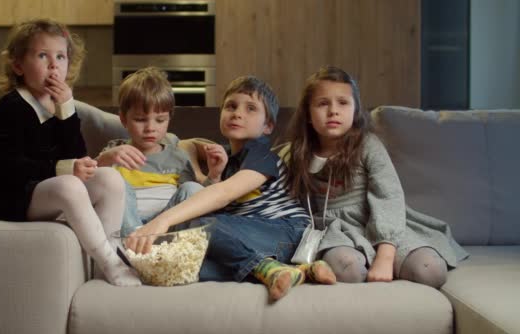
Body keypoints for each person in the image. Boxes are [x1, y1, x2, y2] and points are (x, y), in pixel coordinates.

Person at [126, 76, 336, 302]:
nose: (237, 113)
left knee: (202, 226)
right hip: (250, 240)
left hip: (287, 233)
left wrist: (162, 221)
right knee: (179, 266)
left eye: (251, 109)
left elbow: (223, 195)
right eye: (231, 106)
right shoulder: (226, 158)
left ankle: (269, 266)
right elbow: (185, 144)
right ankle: (297, 272)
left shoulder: (262, 155)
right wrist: (205, 174)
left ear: (268, 126)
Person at [0, 18, 140, 286]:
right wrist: (65, 169)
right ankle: (110, 263)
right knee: (69, 186)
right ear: (18, 65)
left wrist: (66, 110)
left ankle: (107, 255)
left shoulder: (61, 105)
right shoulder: (12, 106)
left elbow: (76, 154)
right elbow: (13, 165)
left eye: (61, 57)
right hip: (14, 198)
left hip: (46, 194)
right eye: (43, 55)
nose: (54, 65)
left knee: (110, 179)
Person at [281, 66, 469, 288]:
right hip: (334, 231)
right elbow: (261, 179)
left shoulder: (368, 145)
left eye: (343, 102)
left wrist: (385, 257)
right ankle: (361, 263)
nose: (333, 111)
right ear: (308, 115)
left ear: (355, 110)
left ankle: (392, 262)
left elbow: (388, 196)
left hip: (379, 222)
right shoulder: (294, 153)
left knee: (430, 270)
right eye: (323, 103)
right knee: (348, 269)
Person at [95, 67, 203, 237]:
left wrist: (214, 175)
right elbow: (91, 183)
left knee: (193, 188)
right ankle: (137, 242)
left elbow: (197, 200)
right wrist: (106, 158)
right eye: (140, 119)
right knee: (114, 181)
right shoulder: (114, 150)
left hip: (166, 229)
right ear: (123, 119)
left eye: (160, 120)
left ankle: (161, 247)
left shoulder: (178, 157)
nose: (150, 128)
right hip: (127, 229)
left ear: (169, 119)